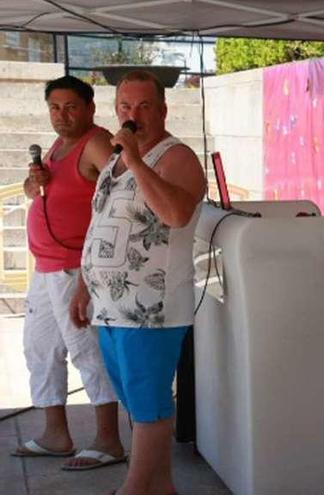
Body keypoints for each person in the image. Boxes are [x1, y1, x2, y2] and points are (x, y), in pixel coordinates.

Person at [70, 70, 205, 495]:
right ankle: (160, 484)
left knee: (148, 402)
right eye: (126, 107)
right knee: (133, 399)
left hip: (152, 307)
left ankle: (134, 487)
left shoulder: (176, 156)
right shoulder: (112, 159)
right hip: (111, 306)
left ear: (163, 110)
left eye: (145, 106)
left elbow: (177, 214)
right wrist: (83, 283)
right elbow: (101, 225)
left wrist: (134, 160)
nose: (134, 115)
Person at [12, 75, 126, 471]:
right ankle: (55, 434)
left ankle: (108, 440)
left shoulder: (96, 142)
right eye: (54, 108)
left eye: (70, 107)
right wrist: (33, 182)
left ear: (90, 108)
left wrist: (89, 274)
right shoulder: (59, 145)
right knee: (40, 349)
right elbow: (36, 192)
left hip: (76, 268)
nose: (61, 116)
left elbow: (122, 196)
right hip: (46, 267)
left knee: (88, 352)